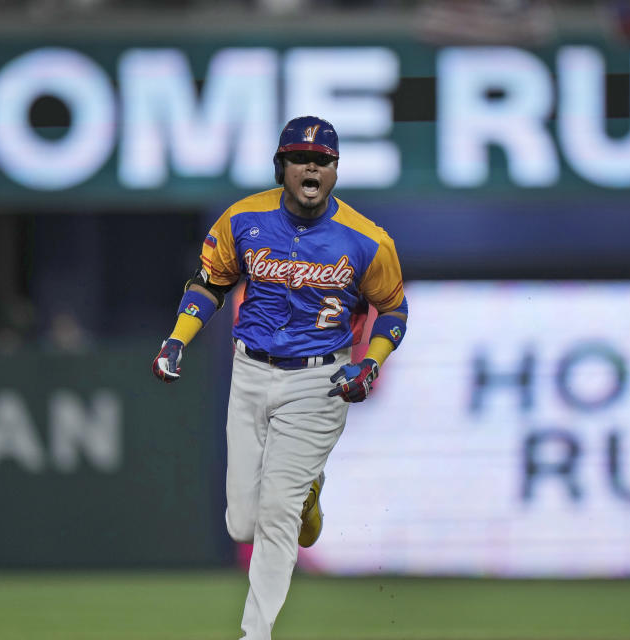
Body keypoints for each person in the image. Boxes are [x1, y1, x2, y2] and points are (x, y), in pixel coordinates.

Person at [151, 115, 408, 640]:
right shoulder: (244, 218)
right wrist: (177, 338)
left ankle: (255, 633)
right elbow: (210, 283)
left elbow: (394, 312)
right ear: (281, 166)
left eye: (322, 160)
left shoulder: (367, 240)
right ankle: (308, 494)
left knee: (274, 516)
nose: (311, 167)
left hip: (320, 380)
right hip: (249, 371)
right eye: (300, 158)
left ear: (335, 170)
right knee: (241, 522)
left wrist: (371, 362)